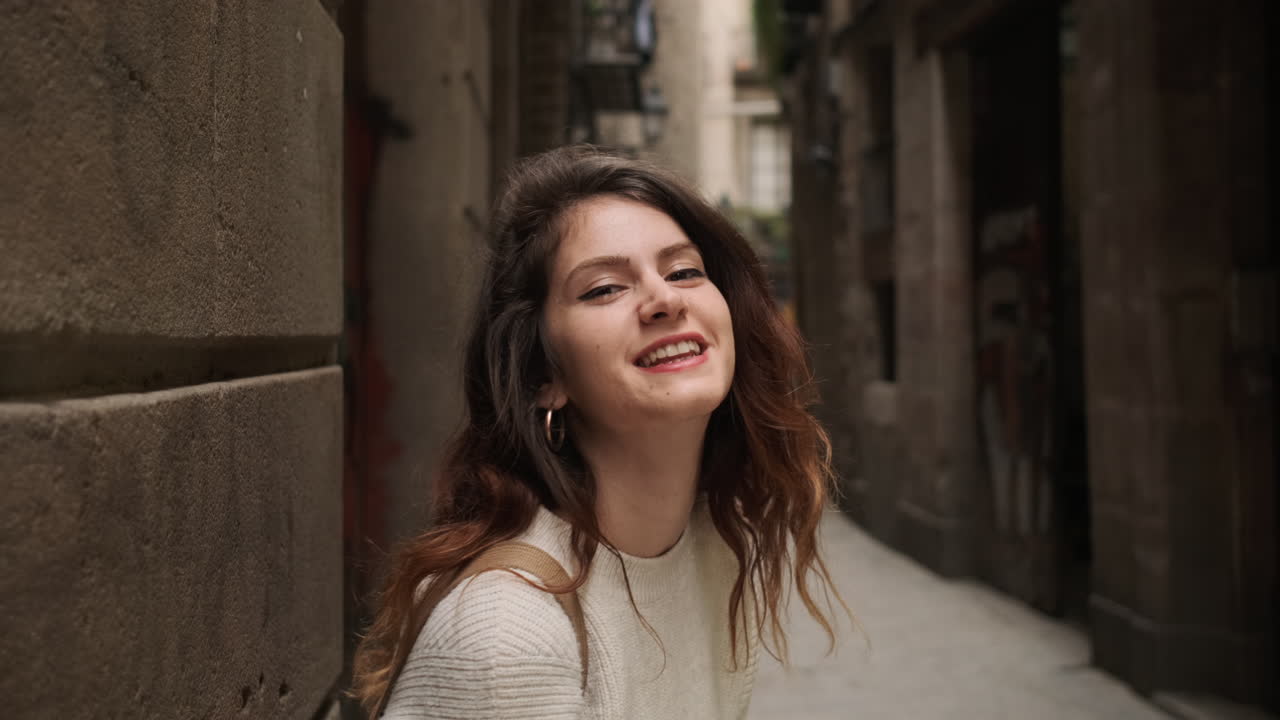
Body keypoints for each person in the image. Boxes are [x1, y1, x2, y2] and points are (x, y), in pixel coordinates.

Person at [350, 146, 847, 719]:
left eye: (685, 271)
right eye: (605, 288)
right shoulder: (509, 635)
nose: (664, 299)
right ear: (545, 376)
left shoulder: (716, 549)